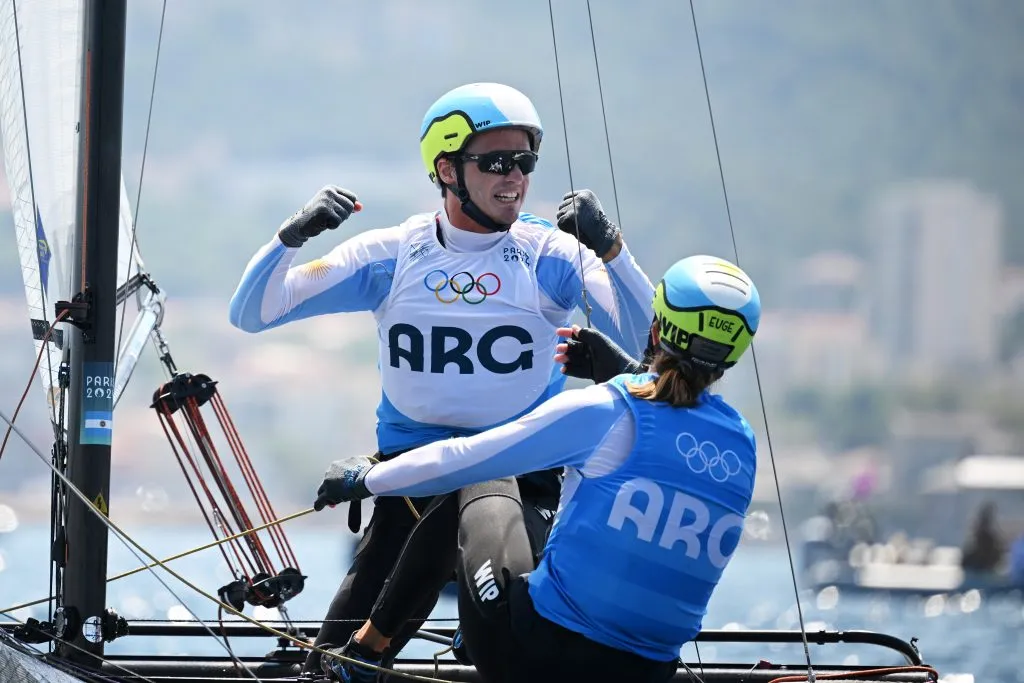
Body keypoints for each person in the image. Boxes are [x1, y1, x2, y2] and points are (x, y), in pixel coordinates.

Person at [228, 81, 655, 675]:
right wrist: (289, 238)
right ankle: (348, 661)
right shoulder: (391, 255)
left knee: (474, 523)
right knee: (330, 655)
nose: (516, 177)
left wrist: (612, 249)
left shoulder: (551, 256)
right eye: (497, 162)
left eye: (525, 162)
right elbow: (253, 312)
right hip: (409, 488)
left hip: (518, 490)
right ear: (448, 170)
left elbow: (651, 347)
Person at [314, 255, 762, 683]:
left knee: (485, 479)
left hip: (534, 663)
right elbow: (667, 429)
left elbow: (466, 457)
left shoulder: (607, 408)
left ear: (657, 325)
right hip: (645, 676)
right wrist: (625, 370)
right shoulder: (741, 443)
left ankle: (364, 655)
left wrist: (365, 479)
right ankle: (460, 640)